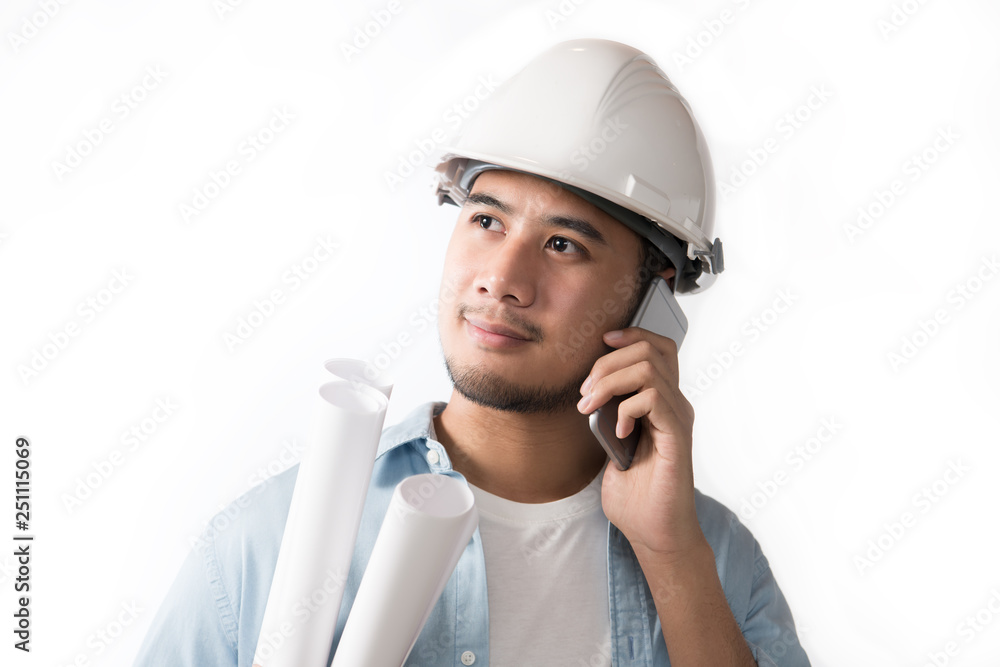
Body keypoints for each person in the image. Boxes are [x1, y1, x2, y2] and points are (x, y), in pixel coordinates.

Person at [134, 38, 810, 666]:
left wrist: (671, 555)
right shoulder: (270, 544)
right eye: (486, 220)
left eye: (562, 244)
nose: (502, 280)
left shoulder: (716, 564)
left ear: (654, 299)